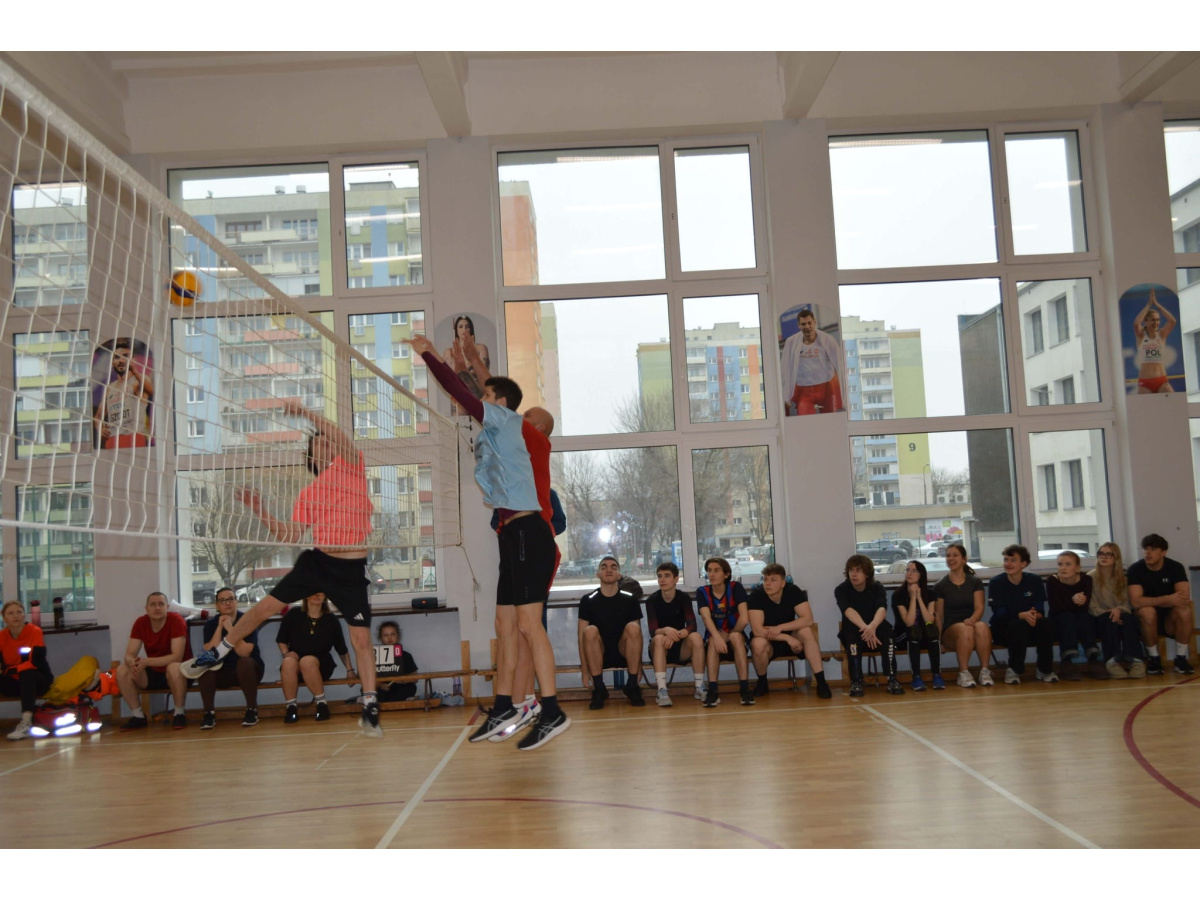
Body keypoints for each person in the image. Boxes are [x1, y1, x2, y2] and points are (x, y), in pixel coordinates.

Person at [182, 398, 384, 737]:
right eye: (320, 442)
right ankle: (218, 652)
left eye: (329, 441)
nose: (328, 443)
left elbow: (341, 436)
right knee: (264, 608)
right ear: (311, 456)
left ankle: (370, 705)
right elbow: (289, 534)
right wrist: (260, 509)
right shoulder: (309, 493)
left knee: (361, 638)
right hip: (318, 562)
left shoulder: (351, 467)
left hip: (350, 570)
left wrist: (307, 414)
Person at [407, 334, 569, 750]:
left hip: (530, 533)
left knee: (529, 625)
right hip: (511, 534)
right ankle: (504, 706)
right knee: (504, 625)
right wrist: (467, 360)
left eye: (489, 398)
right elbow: (485, 389)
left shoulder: (513, 424)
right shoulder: (504, 429)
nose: (482, 400)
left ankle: (551, 710)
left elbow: (467, 391)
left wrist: (430, 354)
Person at [748, 563, 832, 699]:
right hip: (769, 640)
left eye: (773, 580)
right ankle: (762, 683)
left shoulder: (793, 591)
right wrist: (786, 638)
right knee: (757, 643)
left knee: (806, 631)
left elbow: (808, 620)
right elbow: (758, 630)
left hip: (791, 636)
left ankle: (821, 682)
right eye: (766, 579)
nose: (768, 584)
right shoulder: (757, 595)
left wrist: (780, 628)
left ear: (783, 583)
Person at [118, 591, 193, 731]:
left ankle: (179, 714)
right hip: (153, 672)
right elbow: (128, 654)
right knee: (122, 670)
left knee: (174, 667)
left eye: (161, 604)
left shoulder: (176, 620)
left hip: (180, 673)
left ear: (167, 607)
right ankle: (138, 716)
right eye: (153, 604)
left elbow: (176, 657)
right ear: (146, 608)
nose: (157, 608)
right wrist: (132, 662)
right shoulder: (141, 622)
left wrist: (147, 662)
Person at [578, 557, 645, 709]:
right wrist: (584, 670)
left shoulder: (630, 599)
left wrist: (639, 667)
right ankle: (599, 689)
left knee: (634, 628)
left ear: (619, 575)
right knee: (589, 631)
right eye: (604, 567)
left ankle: (632, 686)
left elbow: (637, 636)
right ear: (598, 574)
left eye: (613, 567)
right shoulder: (587, 600)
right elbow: (581, 638)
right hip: (598, 654)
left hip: (623, 652)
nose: (609, 570)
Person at [277, 595, 356, 723]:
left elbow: (341, 649)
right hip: (296, 661)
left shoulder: (331, 619)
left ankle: (322, 704)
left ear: (325, 596)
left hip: (322, 664)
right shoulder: (294, 614)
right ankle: (291, 708)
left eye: (320, 592)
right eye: (313, 592)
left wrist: (350, 670)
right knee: (288, 662)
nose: (317, 595)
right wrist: (286, 653)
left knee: (307, 661)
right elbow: (281, 640)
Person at [836, 554, 903, 697]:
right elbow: (848, 611)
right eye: (851, 570)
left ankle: (892, 678)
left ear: (867, 573)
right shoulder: (842, 589)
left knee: (888, 634)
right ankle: (856, 681)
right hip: (855, 629)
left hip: (875, 627)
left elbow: (882, 609)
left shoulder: (877, 587)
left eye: (858, 570)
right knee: (852, 638)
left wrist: (872, 626)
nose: (854, 574)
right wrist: (866, 628)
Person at [1126, 533, 1194, 675]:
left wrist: (1152, 601)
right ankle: (1154, 659)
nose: (1148, 553)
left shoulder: (1175, 567)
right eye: (1146, 549)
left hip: (1170, 619)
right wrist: (1167, 599)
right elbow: (1136, 602)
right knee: (1147, 611)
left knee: (1184, 611)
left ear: (1163, 552)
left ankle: (1181, 659)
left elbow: (1183, 598)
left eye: (1153, 549)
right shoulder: (1135, 569)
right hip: (1145, 621)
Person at [197, 587, 265, 729]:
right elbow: (210, 653)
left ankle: (252, 710)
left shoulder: (248, 621)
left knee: (244, 662)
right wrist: (219, 627)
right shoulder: (210, 624)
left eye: (230, 599)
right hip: (223, 671)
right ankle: (209, 713)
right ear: (217, 605)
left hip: (250, 670)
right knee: (205, 666)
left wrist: (230, 629)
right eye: (222, 601)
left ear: (236, 601)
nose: (227, 603)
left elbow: (244, 652)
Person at [989, 544, 1056, 685]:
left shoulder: (1034, 581)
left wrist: (1033, 615)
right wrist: (1021, 615)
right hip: (1004, 629)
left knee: (1046, 623)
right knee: (1018, 625)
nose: (1008, 564)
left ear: (1024, 564)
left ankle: (1044, 669)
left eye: (1013, 560)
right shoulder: (996, 582)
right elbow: (1000, 613)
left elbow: (1040, 610)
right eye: (1006, 560)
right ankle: (1014, 669)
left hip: (1030, 625)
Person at [644, 562, 705, 707]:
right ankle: (662, 690)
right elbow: (653, 631)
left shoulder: (683, 598)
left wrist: (675, 634)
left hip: (680, 647)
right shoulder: (651, 600)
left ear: (676, 579)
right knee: (659, 638)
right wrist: (666, 630)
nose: (662, 579)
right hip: (660, 648)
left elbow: (692, 625)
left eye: (667, 576)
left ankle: (699, 687)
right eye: (659, 576)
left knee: (696, 637)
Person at [932, 543, 992, 688]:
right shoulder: (940, 585)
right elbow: (938, 616)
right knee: (966, 629)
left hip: (971, 623)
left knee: (982, 626)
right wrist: (938, 641)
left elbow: (979, 608)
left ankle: (984, 671)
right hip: (951, 630)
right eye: (948, 556)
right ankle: (963, 673)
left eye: (955, 555)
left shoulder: (975, 582)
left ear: (964, 559)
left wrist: (972, 620)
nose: (951, 559)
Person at [696, 557, 753, 707]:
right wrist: (717, 637)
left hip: (734, 635)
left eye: (716, 570)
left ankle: (745, 689)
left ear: (726, 574)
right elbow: (706, 618)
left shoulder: (735, 588)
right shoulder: (702, 592)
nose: (712, 574)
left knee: (736, 637)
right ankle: (713, 691)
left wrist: (729, 635)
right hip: (715, 638)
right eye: (709, 571)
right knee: (712, 640)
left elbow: (744, 619)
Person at [1045, 551, 1107, 680]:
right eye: (1060, 564)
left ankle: (1093, 657)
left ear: (1077, 568)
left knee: (1085, 617)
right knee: (1067, 617)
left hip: (1080, 618)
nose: (1063, 568)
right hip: (1058, 620)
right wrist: (1072, 601)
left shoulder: (1086, 580)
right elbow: (1056, 607)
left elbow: (1084, 606)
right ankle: (1067, 660)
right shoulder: (1052, 581)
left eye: (1068, 564)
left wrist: (1077, 602)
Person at [1089, 542, 1146, 678]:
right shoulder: (1090, 577)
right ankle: (1112, 661)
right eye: (1101, 553)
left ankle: (1136, 661)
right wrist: (1110, 613)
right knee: (1109, 620)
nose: (1104, 557)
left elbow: (1128, 602)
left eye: (1108, 554)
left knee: (1129, 619)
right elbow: (1091, 606)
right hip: (1100, 617)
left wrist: (1119, 610)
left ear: (1116, 557)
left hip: (1120, 615)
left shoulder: (1124, 578)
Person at [0, 601, 54, 740]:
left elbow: (34, 663)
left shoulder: (35, 631)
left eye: (19, 612)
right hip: (15, 683)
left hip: (38, 681)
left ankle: (26, 723)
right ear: (4, 618)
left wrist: (10, 670)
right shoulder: (1, 636)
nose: (15, 616)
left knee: (27, 673)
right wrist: (9, 671)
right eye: (11, 613)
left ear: (24, 615)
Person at [891, 560, 944, 691]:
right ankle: (916, 677)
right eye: (907, 570)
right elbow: (909, 622)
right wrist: (913, 598)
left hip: (923, 633)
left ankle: (936, 675)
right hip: (903, 635)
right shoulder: (898, 595)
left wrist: (919, 598)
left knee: (932, 632)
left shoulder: (930, 593)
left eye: (914, 571)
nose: (909, 573)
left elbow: (929, 620)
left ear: (921, 574)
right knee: (913, 632)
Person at [780, 307, 843, 415]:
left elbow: (840, 364)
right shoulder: (791, 342)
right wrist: (785, 397)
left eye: (809, 323)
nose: (807, 327)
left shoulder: (827, 340)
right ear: (798, 325)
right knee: (804, 421)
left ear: (815, 322)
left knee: (830, 421)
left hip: (826, 389)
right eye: (803, 324)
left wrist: (845, 393)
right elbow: (785, 369)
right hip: (805, 392)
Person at [94, 338, 154, 448]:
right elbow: (97, 418)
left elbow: (152, 391)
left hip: (134, 437)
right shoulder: (110, 388)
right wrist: (101, 429)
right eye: (117, 357)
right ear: (112, 362)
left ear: (133, 359)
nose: (121, 360)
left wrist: (135, 371)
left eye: (126, 356)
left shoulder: (138, 381)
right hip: (112, 440)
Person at [444, 314, 491, 414]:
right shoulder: (449, 352)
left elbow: (483, 373)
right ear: (456, 330)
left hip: (479, 395)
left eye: (467, 326)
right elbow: (452, 378)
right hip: (460, 397)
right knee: (460, 422)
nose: (464, 329)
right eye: (460, 326)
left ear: (471, 329)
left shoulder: (480, 348)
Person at [1133, 289, 1177, 394]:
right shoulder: (1141, 335)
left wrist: (1157, 305)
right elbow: (1136, 323)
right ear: (1146, 321)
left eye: (1158, 320)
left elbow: (1172, 321)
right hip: (1145, 381)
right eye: (1153, 320)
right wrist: (1148, 305)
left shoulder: (1161, 334)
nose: (1156, 322)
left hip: (1161, 380)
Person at [373, 621, 418, 703]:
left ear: (397, 636)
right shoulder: (374, 656)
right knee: (366, 689)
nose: (389, 638)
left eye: (392, 634)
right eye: (385, 635)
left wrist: (403, 680)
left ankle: (386, 702)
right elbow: (368, 679)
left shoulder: (406, 656)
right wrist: (380, 685)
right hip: (381, 689)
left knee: (411, 687)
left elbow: (415, 678)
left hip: (400, 688)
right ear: (380, 638)